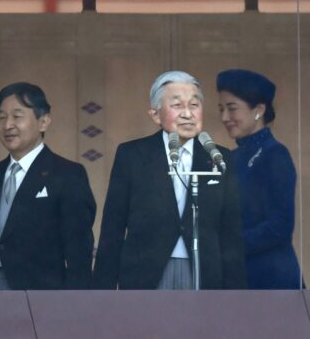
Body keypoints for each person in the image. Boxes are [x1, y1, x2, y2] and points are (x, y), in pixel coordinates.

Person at [93, 71, 246, 290]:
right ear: (155, 114)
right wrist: (102, 291)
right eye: (177, 105)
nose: (187, 114)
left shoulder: (219, 157)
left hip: (204, 273)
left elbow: (231, 233)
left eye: (194, 105)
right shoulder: (132, 155)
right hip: (146, 272)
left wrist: (236, 294)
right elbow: (113, 227)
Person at [0, 82, 96, 290]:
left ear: (43, 121)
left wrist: (76, 309)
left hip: (41, 295)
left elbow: (78, 252)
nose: (8, 125)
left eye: (17, 116)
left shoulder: (67, 174)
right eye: (2, 117)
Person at [216, 69, 302, 289]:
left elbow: (280, 226)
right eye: (221, 109)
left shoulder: (275, 154)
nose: (225, 117)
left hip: (271, 278)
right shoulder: (232, 158)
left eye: (232, 109)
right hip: (236, 276)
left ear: (259, 110)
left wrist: (228, 245)